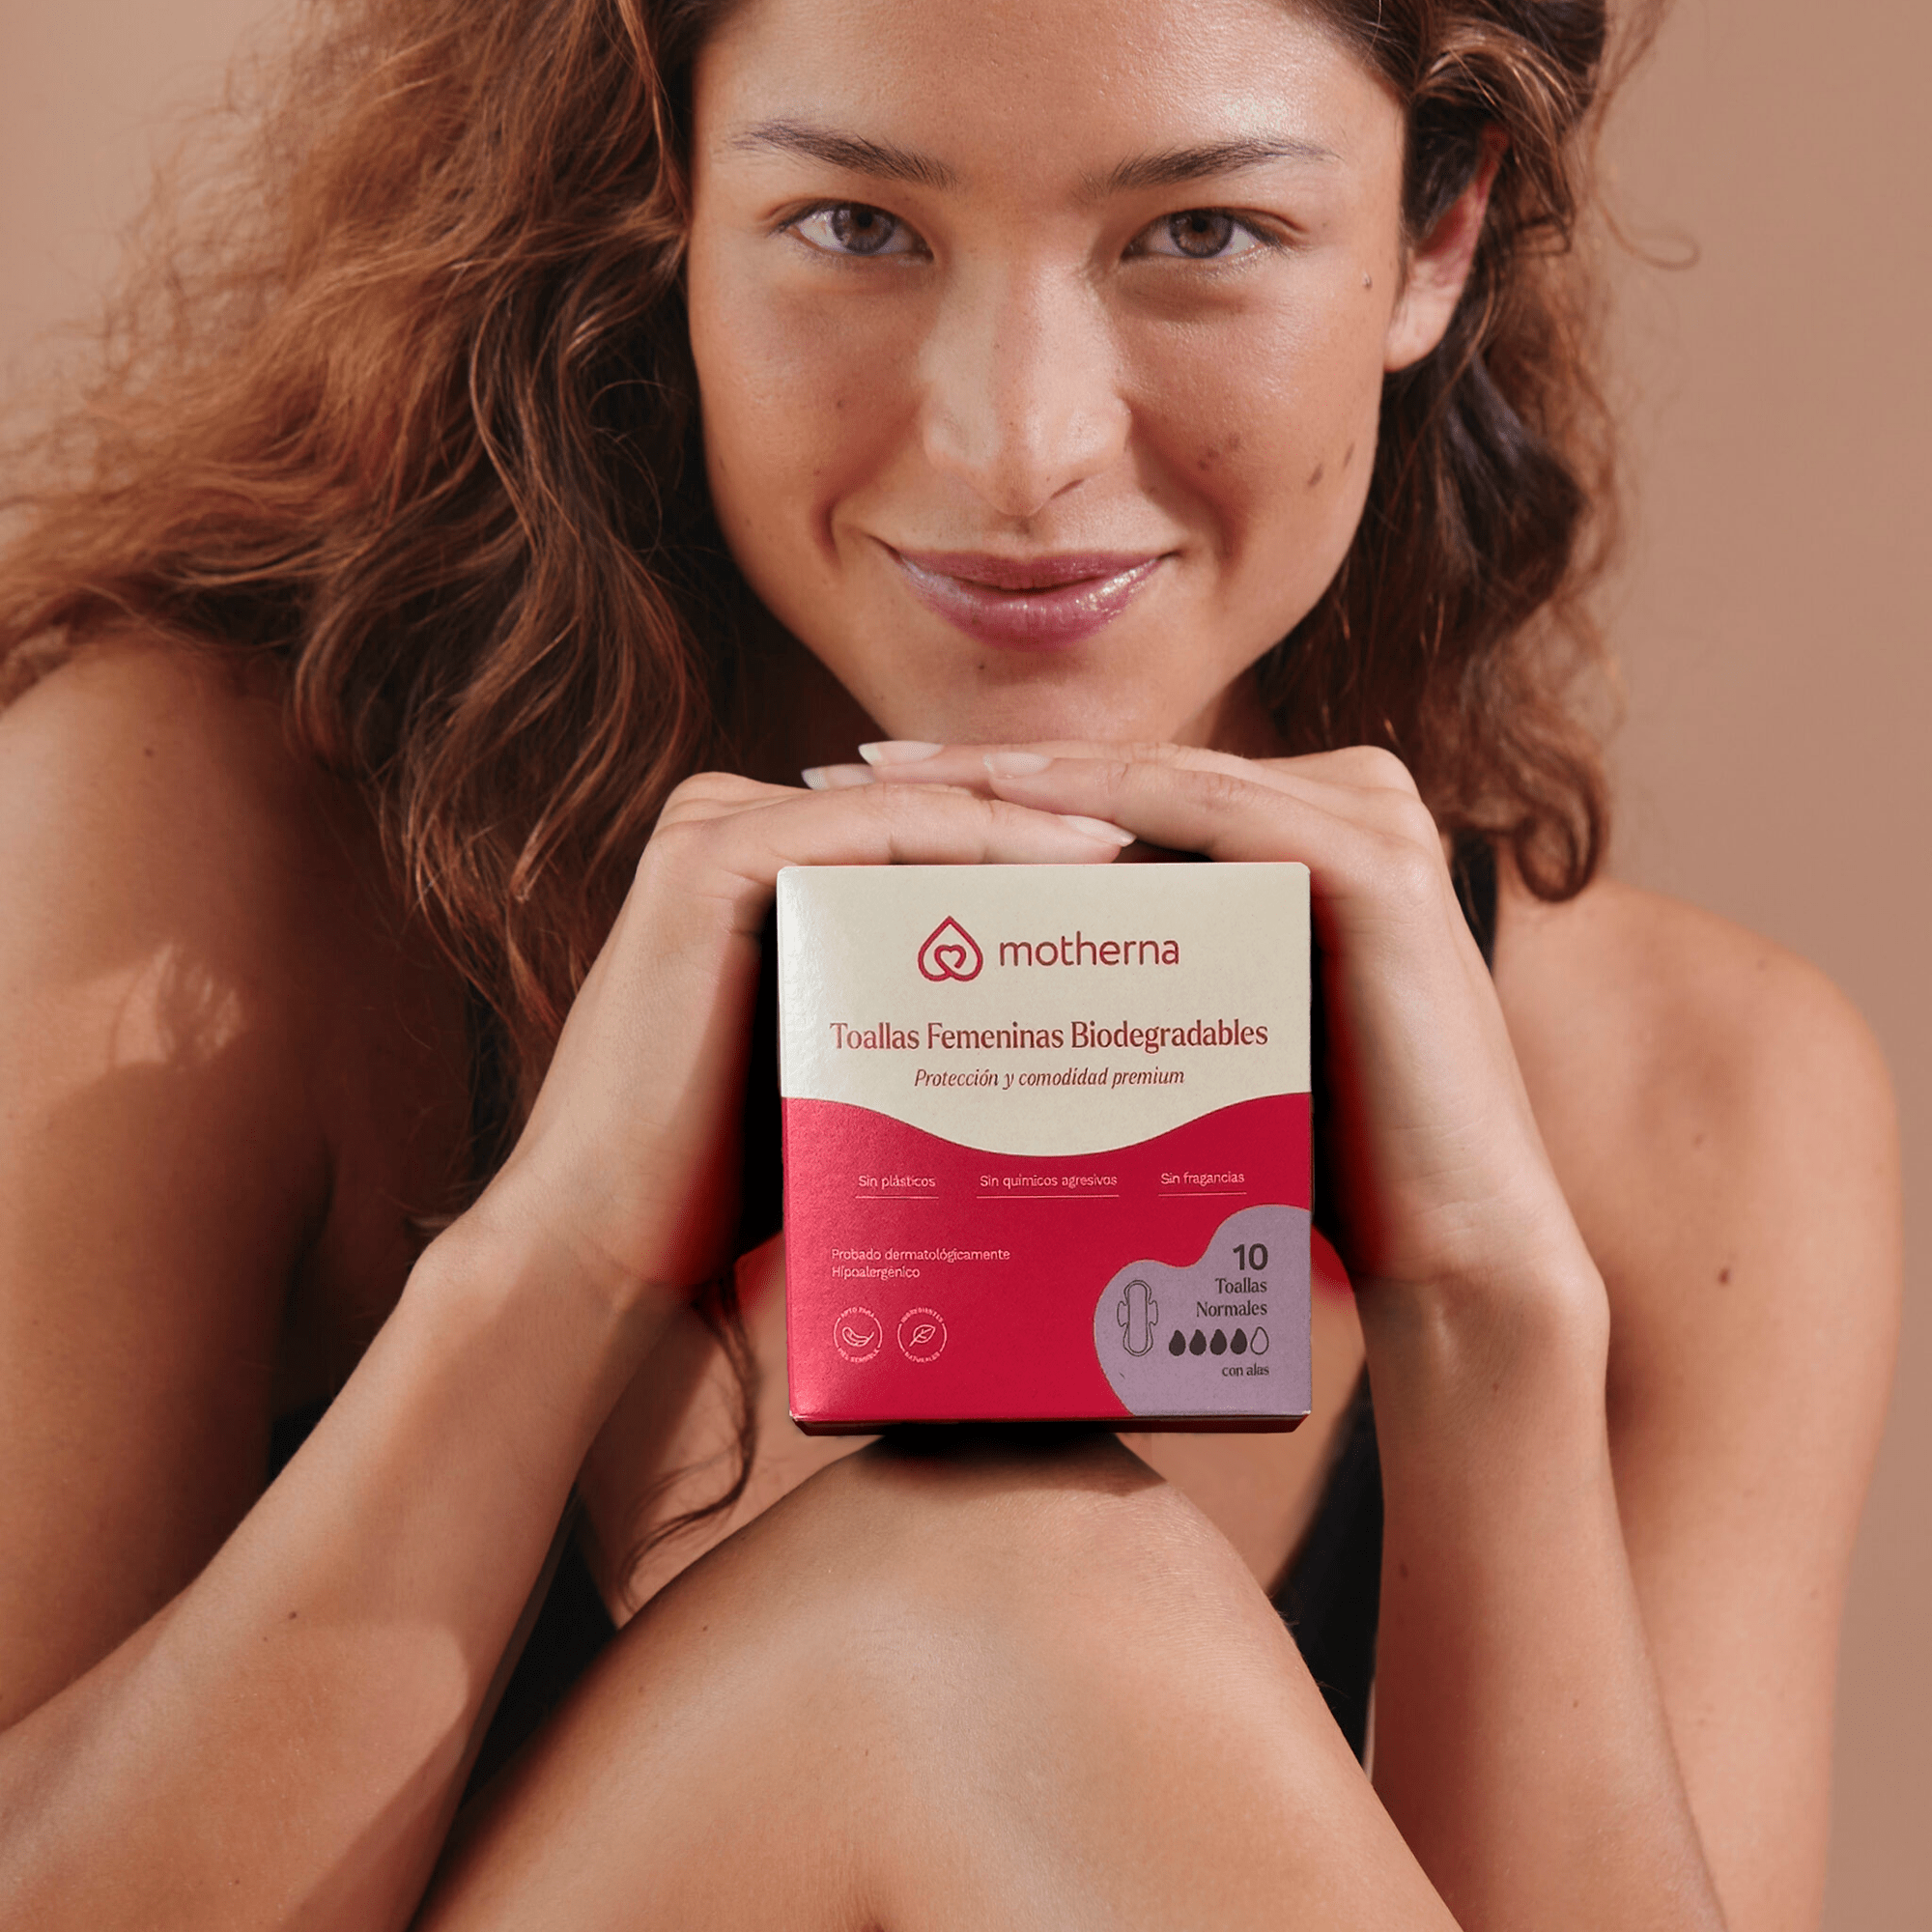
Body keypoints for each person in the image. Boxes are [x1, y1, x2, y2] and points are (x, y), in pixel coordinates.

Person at [0, 0, 1899, 1925]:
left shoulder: (1697, 1109)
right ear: (668, 189)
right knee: (998, 1612)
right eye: (856, 225)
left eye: (1199, 233)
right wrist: (546, 1267)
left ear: (1437, 231)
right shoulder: (203, 863)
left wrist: (1492, 1326)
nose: (1018, 449)